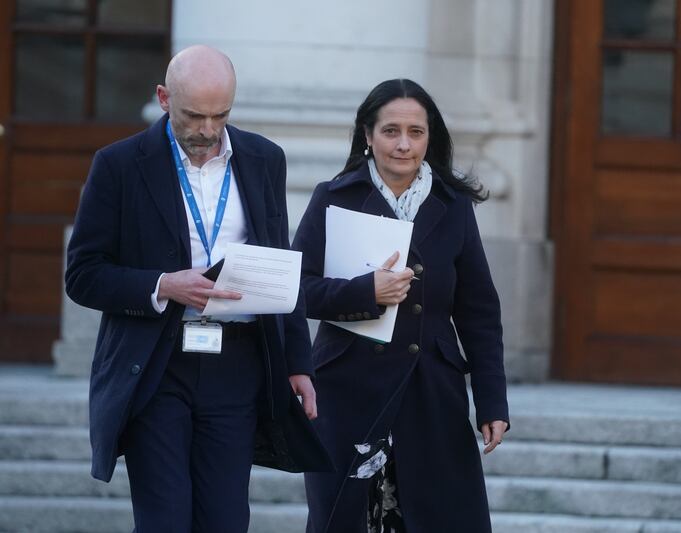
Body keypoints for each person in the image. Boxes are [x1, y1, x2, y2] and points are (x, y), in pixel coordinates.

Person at [65, 45, 331, 533]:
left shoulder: (265, 159)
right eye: (194, 115)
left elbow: (279, 265)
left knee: (226, 519)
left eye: (220, 115)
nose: (208, 130)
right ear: (164, 98)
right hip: (157, 365)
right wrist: (163, 285)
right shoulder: (119, 165)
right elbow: (82, 274)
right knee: (164, 520)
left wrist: (298, 363)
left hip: (238, 364)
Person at [293, 78, 509, 533]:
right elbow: (297, 291)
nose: (404, 145)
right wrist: (363, 293)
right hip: (347, 394)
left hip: (432, 395)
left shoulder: (454, 207)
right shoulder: (333, 198)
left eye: (416, 132)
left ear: (432, 138)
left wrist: (492, 401)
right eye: (391, 131)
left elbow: (479, 311)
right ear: (368, 136)